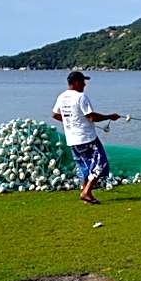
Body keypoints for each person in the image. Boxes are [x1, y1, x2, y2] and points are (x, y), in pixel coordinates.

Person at [52, 71, 119, 204]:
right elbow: (92, 117)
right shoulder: (80, 97)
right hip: (86, 138)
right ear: (76, 83)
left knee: (84, 166)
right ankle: (86, 192)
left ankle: (85, 194)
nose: (85, 84)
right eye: (83, 81)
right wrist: (109, 116)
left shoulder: (61, 97)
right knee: (100, 164)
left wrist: (70, 122)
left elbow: (55, 115)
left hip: (72, 139)